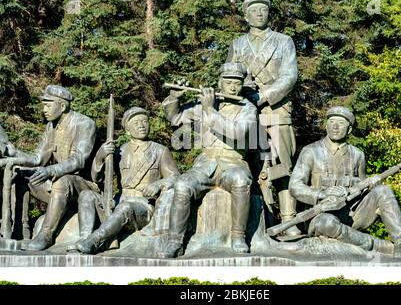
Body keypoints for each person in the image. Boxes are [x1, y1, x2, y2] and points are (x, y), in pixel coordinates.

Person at [289, 106, 401, 257]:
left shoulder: (357, 154)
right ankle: (382, 246)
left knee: (383, 190)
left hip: (352, 214)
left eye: (341, 123)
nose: (335, 126)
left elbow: (362, 190)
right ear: (326, 125)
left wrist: (371, 186)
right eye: (331, 121)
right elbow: (295, 186)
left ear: (349, 130)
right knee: (326, 224)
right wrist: (322, 193)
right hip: (321, 215)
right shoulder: (311, 151)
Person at [160, 62, 257, 257]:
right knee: (182, 185)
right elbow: (175, 118)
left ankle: (238, 236)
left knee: (241, 180)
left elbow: (236, 133)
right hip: (206, 163)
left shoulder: (247, 108)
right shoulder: (207, 103)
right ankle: (174, 241)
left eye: (237, 83)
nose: (232, 87)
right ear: (220, 82)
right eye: (228, 82)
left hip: (234, 162)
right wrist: (173, 98)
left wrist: (209, 110)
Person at [226, 0, 300, 238]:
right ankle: (262, 222)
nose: (259, 14)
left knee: (283, 166)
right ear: (246, 16)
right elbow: (229, 76)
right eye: (254, 10)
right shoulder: (237, 45)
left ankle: (289, 222)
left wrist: (264, 96)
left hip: (276, 110)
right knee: (253, 167)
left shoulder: (283, 41)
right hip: (246, 113)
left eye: (263, 10)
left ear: (269, 14)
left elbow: (289, 76)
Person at [0, 85, 97, 250]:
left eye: (48, 105)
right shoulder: (51, 127)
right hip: (58, 181)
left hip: (83, 185)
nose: (44, 109)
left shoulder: (84, 124)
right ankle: (21, 230)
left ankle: (46, 235)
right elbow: (38, 158)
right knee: (22, 175)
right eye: (43, 105)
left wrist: (50, 171)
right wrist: (13, 153)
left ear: (62, 106)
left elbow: (79, 160)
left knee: (63, 181)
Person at [73, 107, 180, 254]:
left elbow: (176, 177)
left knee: (126, 208)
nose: (142, 125)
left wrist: (158, 184)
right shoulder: (119, 151)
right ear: (127, 130)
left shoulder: (160, 151)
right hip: (118, 201)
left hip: (143, 206)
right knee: (87, 195)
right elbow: (97, 179)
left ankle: (94, 240)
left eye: (144, 121)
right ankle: (84, 239)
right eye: (136, 123)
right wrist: (99, 157)